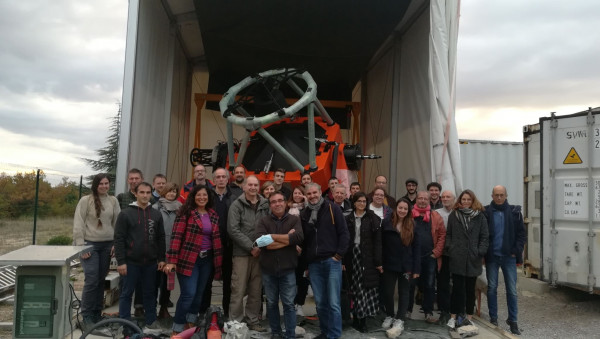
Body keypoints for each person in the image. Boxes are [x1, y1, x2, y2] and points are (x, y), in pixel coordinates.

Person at [163, 184, 223, 336]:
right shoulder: (186, 213)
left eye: (205, 195)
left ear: (208, 197)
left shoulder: (213, 214)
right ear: (193, 197)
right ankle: (177, 328)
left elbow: (215, 239)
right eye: (198, 195)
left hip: (207, 259)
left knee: (199, 294)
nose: (202, 198)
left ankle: (190, 323)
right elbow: (176, 237)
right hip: (189, 258)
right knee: (188, 294)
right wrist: (171, 260)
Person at [114, 182, 166, 334]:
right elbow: (119, 239)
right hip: (130, 263)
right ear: (135, 194)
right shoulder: (125, 214)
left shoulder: (156, 214)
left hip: (150, 263)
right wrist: (121, 261)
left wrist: (161, 258)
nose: (145, 195)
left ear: (151, 194)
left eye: (148, 192)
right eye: (141, 192)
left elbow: (161, 238)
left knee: (150, 293)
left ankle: (151, 321)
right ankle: (125, 324)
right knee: (126, 294)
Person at [300, 183, 349, 339]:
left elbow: (344, 234)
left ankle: (334, 335)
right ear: (306, 196)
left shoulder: (332, 209)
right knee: (320, 302)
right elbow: (305, 241)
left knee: (334, 302)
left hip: (332, 261)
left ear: (321, 192)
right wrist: (307, 262)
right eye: (309, 194)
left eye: (315, 192)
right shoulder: (304, 214)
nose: (313, 196)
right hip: (314, 264)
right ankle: (325, 331)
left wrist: (338, 255)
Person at [73, 173, 120, 331]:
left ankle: (96, 313)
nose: (104, 186)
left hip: (107, 246)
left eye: (107, 183)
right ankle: (86, 316)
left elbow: (117, 223)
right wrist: (81, 246)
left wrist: (116, 243)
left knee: (101, 281)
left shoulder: (113, 201)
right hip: (90, 245)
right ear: (95, 185)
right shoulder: (86, 200)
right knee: (92, 280)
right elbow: (78, 222)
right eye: (101, 183)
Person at [256, 191, 304, 339]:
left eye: (280, 201)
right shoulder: (263, 221)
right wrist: (287, 239)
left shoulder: (294, 219)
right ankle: (276, 333)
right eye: (274, 202)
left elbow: (298, 237)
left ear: (285, 202)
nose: (277, 204)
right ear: (270, 205)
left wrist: (272, 238)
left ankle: (290, 334)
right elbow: (262, 244)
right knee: (271, 303)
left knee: (289, 304)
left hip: (287, 269)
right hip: (268, 270)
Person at [228, 175, 270, 331]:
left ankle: (253, 320)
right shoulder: (236, 205)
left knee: (256, 289)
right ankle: (236, 322)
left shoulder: (265, 204)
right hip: (241, 254)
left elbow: (269, 226)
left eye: (255, 185)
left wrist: (260, 246)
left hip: (260, 253)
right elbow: (233, 229)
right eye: (250, 185)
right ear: (244, 187)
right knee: (238, 289)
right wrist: (251, 246)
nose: (253, 187)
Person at [484, 185, 526, 335]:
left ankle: (513, 320)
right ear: (492, 195)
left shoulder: (515, 213)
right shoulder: (487, 212)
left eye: (502, 195)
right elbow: (483, 235)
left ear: (506, 195)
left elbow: (522, 235)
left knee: (512, 290)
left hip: (509, 257)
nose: (499, 197)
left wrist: (516, 251)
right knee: (492, 288)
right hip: (492, 257)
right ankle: (493, 317)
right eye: (496, 195)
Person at [445, 189, 489, 329]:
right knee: (457, 289)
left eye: (468, 199)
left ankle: (469, 318)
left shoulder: (480, 216)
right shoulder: (454, 215)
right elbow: (449, 234)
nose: (465, 202)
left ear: (472, 201)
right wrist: (450, 248)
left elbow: (484, 237)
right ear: (460, 201)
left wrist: (479, 251)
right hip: (457, 258)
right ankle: (453, 317)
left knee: (471, 290)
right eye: (463, 199)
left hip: (472, 259)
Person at [343, 192, 382, 333]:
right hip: (350, 256)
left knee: (364, 289)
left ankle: (362, 320)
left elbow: (378, 243)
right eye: (359, 201)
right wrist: (341, 258)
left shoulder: (373, 218)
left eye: (364, 201)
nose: (362, 204)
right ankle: (355, 319)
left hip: (366, 257)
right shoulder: (347, 218)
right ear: (354, 203)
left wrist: (378, 261)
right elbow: (343, 240)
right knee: (353, 288)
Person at [381, 198, 420, 337]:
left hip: (406, 266)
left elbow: (416, 249)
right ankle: (390, 315)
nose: (402, 211)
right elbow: (381, 244)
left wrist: (416, 269)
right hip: (389, 264)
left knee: (404, 293)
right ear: (395, 208)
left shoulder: (412, 225)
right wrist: (380, 262)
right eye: (400, 208)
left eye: (405, 208)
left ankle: (400, 319)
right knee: (387, 292)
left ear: (408, 211)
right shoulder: (386, 222)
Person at [200, 168, 236, 318]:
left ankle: (227, 313)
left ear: (228, 179)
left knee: (228, 283)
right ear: (213, 180)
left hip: (228, 245)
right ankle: (203, 313)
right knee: (206, 281)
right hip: (210, 245)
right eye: (218, 177)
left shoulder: (234, 197)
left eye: (223, 177)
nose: (221, 179)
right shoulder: (206, 196)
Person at [406, 191, 446, 323]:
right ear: (416, 200)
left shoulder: (435, 216)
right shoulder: (409, 215)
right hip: (412, 256)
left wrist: (436, 252)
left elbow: (442, 235)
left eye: (425, 199)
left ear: (429, 201)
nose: (422, 201)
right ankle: (407, 311)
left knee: (429, 285)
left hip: (429, 256)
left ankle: (428, 312)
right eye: (420, 198)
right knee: (410, 285)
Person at [152, 182, 182, 319]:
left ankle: (163, 309)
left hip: (173, 251)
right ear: (164, 192)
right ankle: (151, 310)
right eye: (169, 191)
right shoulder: (156, 207)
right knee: (154, 282)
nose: (172, 194)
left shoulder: (181, 208)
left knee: (167, 284)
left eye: (174, 191)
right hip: (158, 251)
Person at [435, 190, 456, 324]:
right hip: (443, 253)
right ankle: (443, 311)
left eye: (448, 197)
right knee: (442, 283)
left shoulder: (459, 212)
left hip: (457, 254)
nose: (445, 199)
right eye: (443, 197)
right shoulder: (436, 213)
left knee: (457, 284)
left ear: (454, 199)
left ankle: (456, 310)